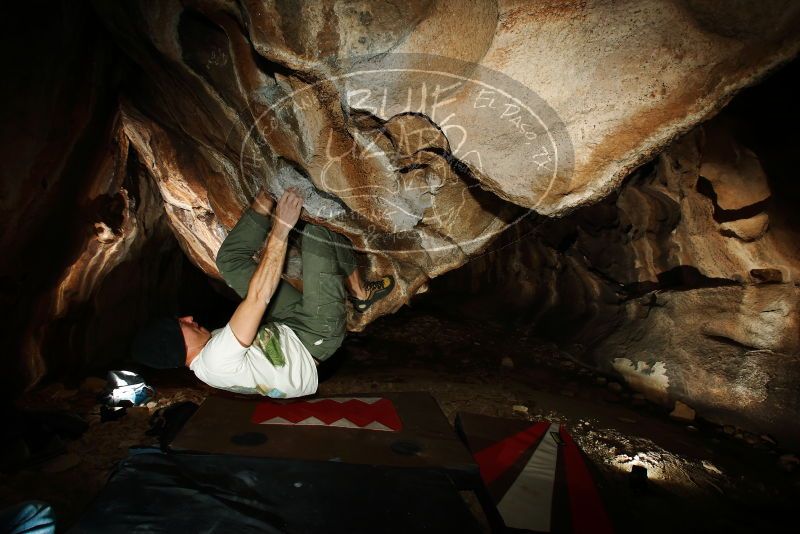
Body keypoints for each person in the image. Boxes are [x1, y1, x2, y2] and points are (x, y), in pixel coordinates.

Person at [131, 188, 394, 398]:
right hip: (316, 338)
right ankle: (361, 293)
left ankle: (265, 196)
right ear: (177, 346)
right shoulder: (215, 361)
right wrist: (281, 226)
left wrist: (268, 199)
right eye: (181, 324)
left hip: (285, 328)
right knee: (317, 232)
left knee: (229, 262)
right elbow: (259, 296)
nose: (188, 317)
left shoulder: (206, 358)